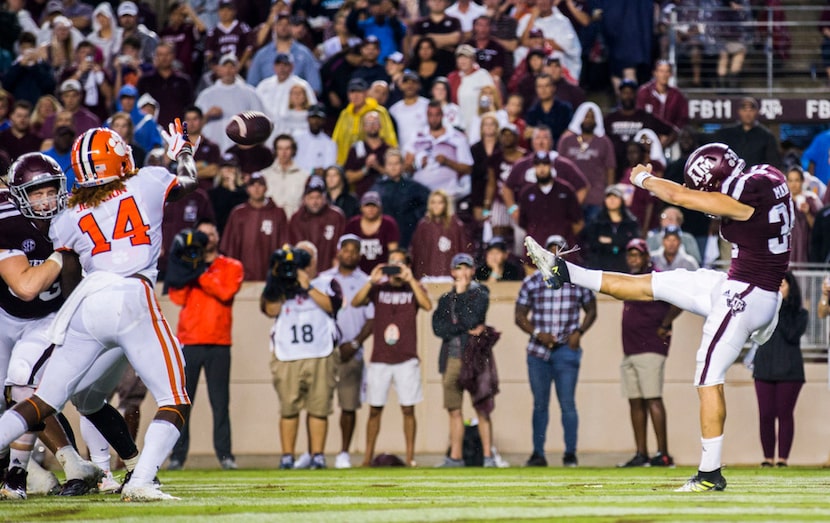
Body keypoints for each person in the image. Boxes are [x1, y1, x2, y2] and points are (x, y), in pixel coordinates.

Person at [525, 142, 793, 491]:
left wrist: (645, 180)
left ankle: (710, 475)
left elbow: (684, 199)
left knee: (708, 373)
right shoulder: (767, 175)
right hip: (748, 287)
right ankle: (564, 271)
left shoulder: (743, 196)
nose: (705, 196)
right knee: (652, 285)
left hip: (745, 294)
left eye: (705, 187)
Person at [0, 120, 200, 501]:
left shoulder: (68, 215)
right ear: (121, 158)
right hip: (132, 295)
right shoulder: (149, 181)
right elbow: (188, 181)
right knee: (174, 399)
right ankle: (140, 479)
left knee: (42, 401)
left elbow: (68, 259)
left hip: (88, 303)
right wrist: (183, 152)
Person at [0, 153, 130, 499]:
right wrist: (61, 253)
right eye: (34, 194)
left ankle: (19, 475)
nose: (44, 202)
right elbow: (25, 288)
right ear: (17, 195)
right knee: (11, 393)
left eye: (49, 192)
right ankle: (37, 470)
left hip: (51, 318)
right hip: (5, 315)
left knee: (27, 385)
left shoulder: (75, 217)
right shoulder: (7, 221)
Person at [167, 220, 244, 471]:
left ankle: (225, 456)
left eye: (212, 233)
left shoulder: (231, 265)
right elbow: (177, 297)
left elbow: (225, 292)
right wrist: (190, 267)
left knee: (220, 403)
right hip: (190, 341)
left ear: (218, 237)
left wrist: (198, 272)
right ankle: (178, 456)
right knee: (184, 402)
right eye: (204, 234)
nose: (208, 237)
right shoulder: (186, 264)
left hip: (219, 342)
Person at [515, 234, 596, 468]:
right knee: (540, 404)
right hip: (538, 351)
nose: (554, 253)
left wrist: (579, 332)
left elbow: (591, 309)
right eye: (551, 249)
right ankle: (538, 453)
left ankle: (570, 454)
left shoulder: (575, 280)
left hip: (566, 350)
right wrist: (537, 333)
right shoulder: (531, 282)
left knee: (567, 404)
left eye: (559, 249)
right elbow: (519, 315)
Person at [261, 243, 342, 470]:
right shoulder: (281, 284)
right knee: (288, 408)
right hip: (288, 354)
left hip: (320, 353)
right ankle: (287, 456)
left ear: (315, 259)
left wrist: (307, 286)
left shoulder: (326, 282)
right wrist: (276, 278)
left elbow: (333, 306)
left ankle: (317, 455)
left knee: (319, 407)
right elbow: (270, 309)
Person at [354, 249, 432, 468]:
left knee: (408, 408)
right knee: (374, 409)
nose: (396, 268)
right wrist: (371, 280)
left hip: (406, 357)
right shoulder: (379, 288)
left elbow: (427, 305)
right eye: (392, 264)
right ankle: (367, 458)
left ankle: (410, 457)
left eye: (400, 264)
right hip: (380, 357)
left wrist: (411, 279)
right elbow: (355, 302)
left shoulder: (412, 287)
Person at [617, 238, 682, 468]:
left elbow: (679, 301)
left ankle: (663, 454)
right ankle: (641, 453)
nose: (633, 259)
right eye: (630, 255)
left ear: (646, 257)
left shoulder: (657, 276)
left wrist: (665, 325)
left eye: (637, 255)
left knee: (652, 398)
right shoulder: (631, 278)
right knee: (635, 401)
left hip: (651, 346)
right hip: (630, 348)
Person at [432, 253, 497, 467]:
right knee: (454, 410)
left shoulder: (481, 293)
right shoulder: (444, 299)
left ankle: (488, 457)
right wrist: (463, 328)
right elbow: (439, 328)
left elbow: (473, 318)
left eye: (467, 268)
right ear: (452, 272)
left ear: (472, 270)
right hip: (451, 358)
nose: (463, 273)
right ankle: (455, 457)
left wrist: (460, 297)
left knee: (481, 407)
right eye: (459, 268)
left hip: (474, 359)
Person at [319, 234, 375, 469]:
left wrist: (354, 344)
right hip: (323, 351)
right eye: (346, 250)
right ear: (338, 251)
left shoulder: (366, 281)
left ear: (359, 254)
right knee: (318, 403)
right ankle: (316, 453)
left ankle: (343, 452)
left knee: (348, 404)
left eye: (354, 250)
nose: (350, 254)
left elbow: (372, 319)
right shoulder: (322, 280)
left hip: (351, 351)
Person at [750, 272, 806, 468]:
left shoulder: (800, 314)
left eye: (782, 285)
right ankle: (767, 457)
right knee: (765, 414)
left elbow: (792, 334)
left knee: (784, 413)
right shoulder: (762, 311)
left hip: (789, 370)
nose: (778, 289)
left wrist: (779, 307)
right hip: (764, 367)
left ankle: (782, 458)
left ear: (790, 288)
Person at [220, 172, 289, 281]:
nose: (256, 189)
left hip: (271, 276)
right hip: (243, 276)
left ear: (266, 188)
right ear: (247, 189)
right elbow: (230, 248)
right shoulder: (238, 213)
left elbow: (284, 246)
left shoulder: (278, 213)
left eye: (260, 185)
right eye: (252, 185)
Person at [370, 148, 431, 249]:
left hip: (407, 234)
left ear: (402, 166)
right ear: (385, 166)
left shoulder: (413, 187)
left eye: (396, 163)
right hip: (383, 236)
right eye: (390, 164)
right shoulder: (377, 188)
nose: (393, 167)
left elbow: (430, 201)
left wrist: (415, 217)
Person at [410, 189, 469, 280]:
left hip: (449, 277)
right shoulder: (423, 225)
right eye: (433, 202)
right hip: (426, 277)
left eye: (440, 202)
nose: (436, 206)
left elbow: (462, 250)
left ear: (446, 205)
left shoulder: (455, 225)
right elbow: (416, 253)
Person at [581, 185, 640, 272]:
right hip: (600, 267)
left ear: (621, 200)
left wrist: (611, 240)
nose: (612, 200)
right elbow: (591, 242)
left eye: (615, 197)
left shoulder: (631, 222)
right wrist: (619, 240)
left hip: (623, 267)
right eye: (609, 197)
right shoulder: (596, 222)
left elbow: (633, 243)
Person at [713, 97, 782, 170]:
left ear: (757, 112)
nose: (748, 114)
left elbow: (773, 163)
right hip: (732, 177)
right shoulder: (726, 133)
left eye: (751, 110)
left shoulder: (766, 136)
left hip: (756, 178)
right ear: (739, 112)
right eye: (744, 110)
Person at [345, 191, 400, 274]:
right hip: (356, 273)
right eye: (367, 205)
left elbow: (393, 253)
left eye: (374, 206)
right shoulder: (353, 224)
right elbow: (345, 250)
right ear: (361, 207)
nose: (370, 209)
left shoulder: (389, 224)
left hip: (382, 274)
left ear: (380, 208)